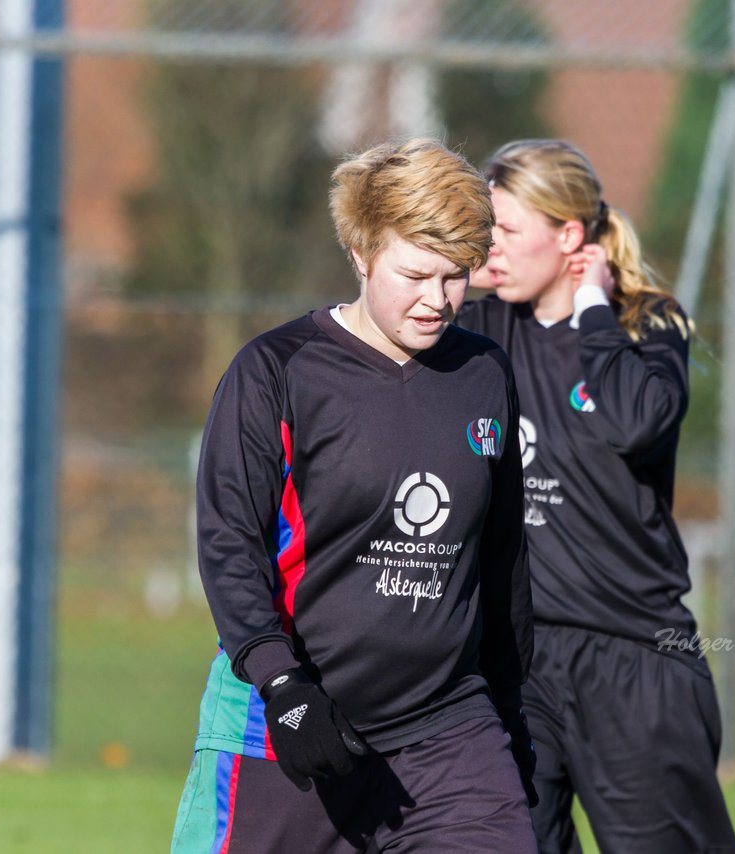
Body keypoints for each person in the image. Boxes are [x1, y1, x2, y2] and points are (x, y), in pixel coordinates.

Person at [170, 138, 537, 854]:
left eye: (456, 276)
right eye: (416, 274)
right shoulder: (277, 372)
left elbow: (502, 564)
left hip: (446, 736)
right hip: (288, 728)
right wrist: (282, 689)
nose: (438, 299)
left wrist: (515, 717)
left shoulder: (484, 376)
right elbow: (230, 547)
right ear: (363, 253)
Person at [457, 139, 735, 854]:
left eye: (508, 233)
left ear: (569, 235)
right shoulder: (479, 333)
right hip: (520, 664)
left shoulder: (647, 327)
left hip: (634, 660)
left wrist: (593, 311)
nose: (489, 251)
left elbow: (631, 422)